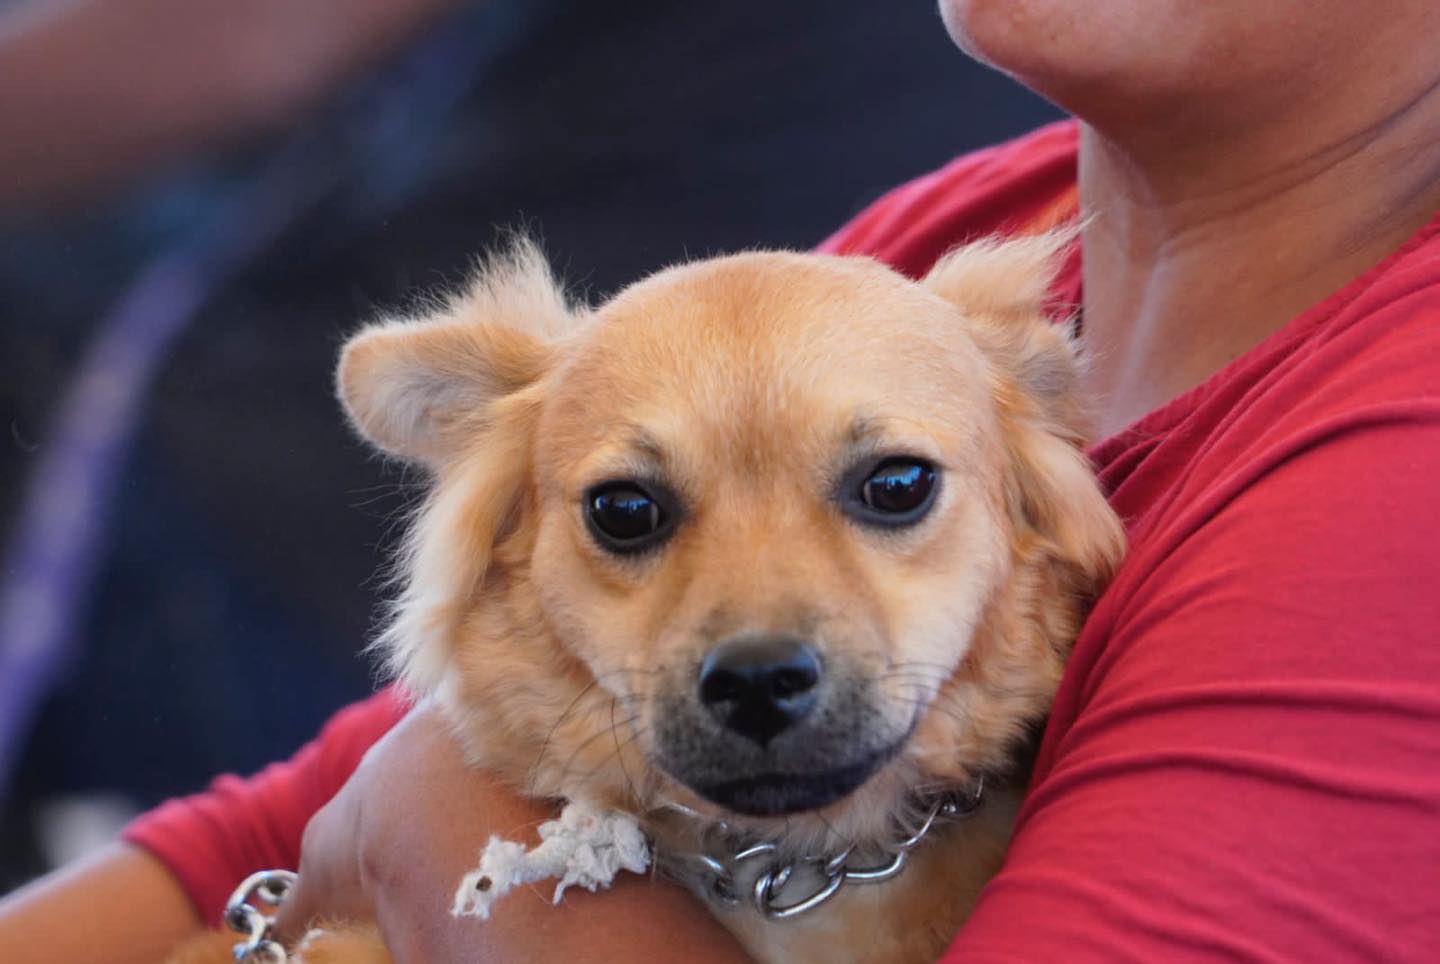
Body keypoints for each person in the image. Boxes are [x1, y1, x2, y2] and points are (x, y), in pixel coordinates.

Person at [6, 0, 1440, 960]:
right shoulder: (963, 234)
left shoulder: (1401, 458)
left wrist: (468, 850)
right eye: (633, 518)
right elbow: (279, 828)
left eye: (888, 490)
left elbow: (414, 793)